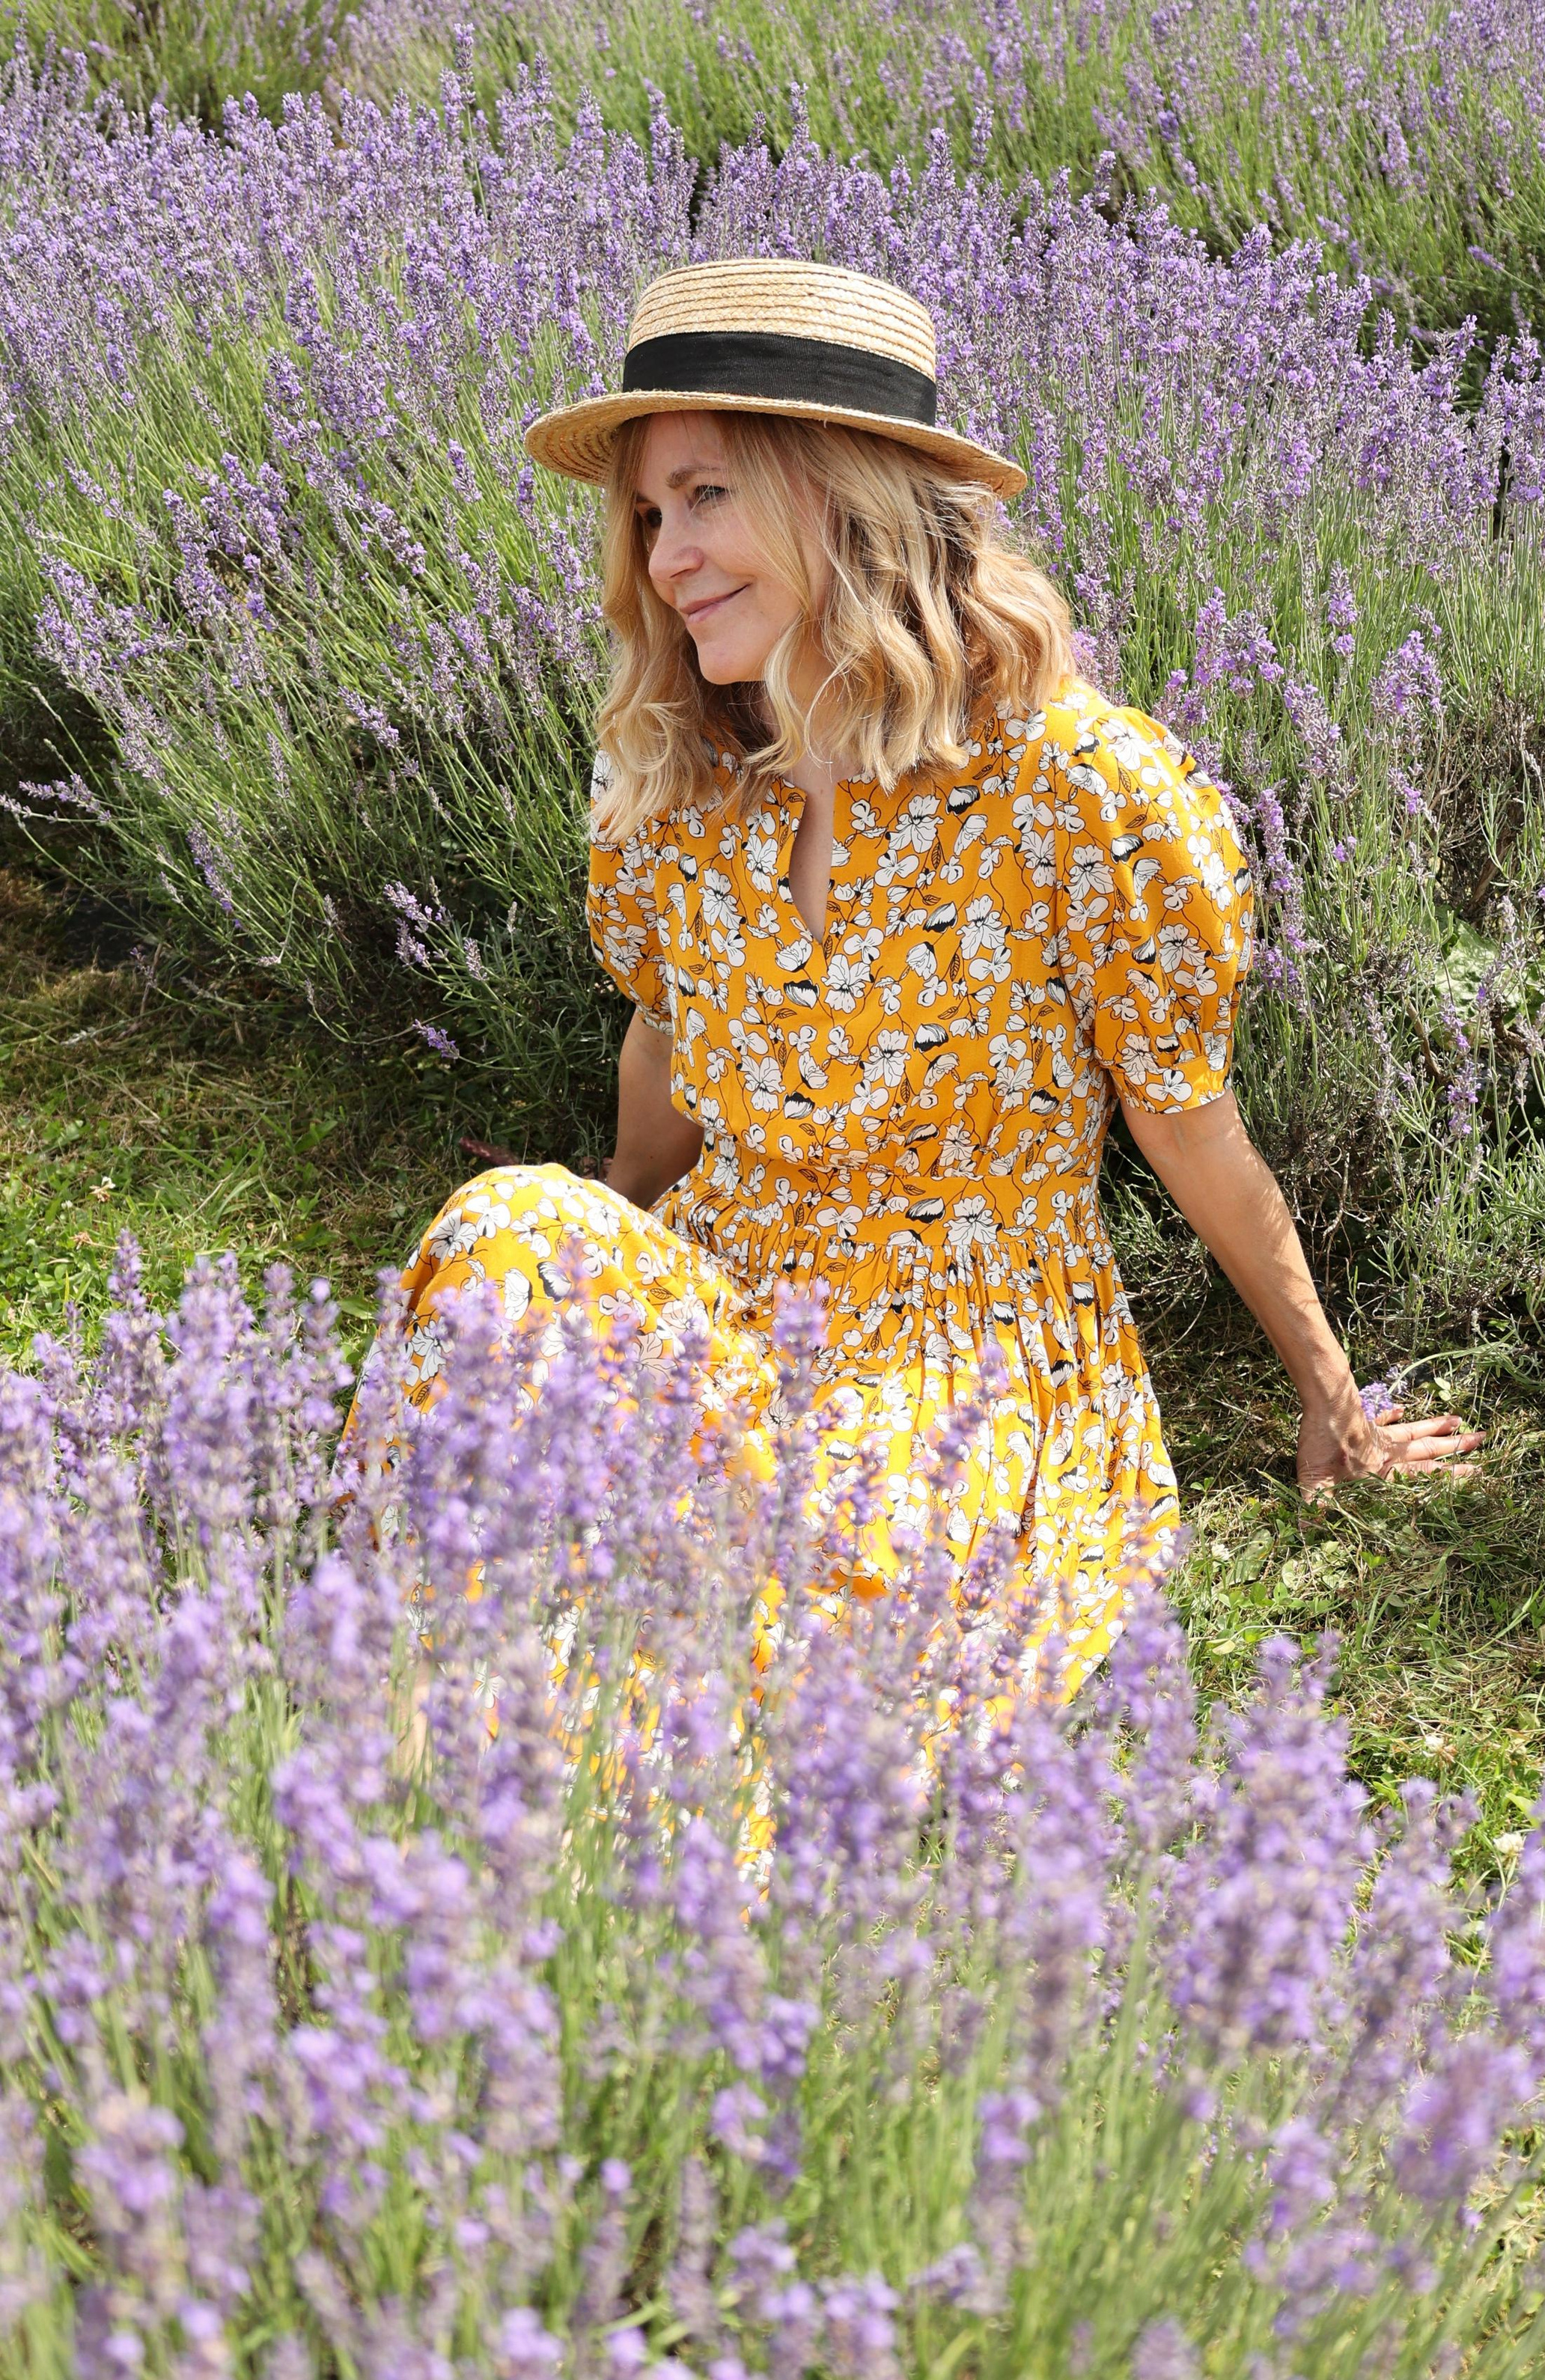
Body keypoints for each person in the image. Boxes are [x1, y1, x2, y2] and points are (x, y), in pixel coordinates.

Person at [392, 257, 1480, 1704]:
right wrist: (598, 1272)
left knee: (813, 1562)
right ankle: (418, 1744)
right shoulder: (688, 783)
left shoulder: (1076, 788)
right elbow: (662, 1063)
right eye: (652, 513)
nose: (662, 557)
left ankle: (600, 1801)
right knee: (508, 1225)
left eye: (708, 496)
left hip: (967, 1357)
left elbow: (1185, 1117)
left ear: (845, 497)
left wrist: (1331, 1406)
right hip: (734, 1290)